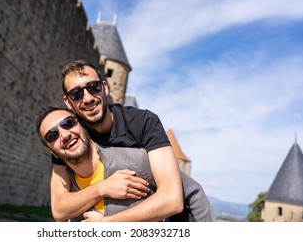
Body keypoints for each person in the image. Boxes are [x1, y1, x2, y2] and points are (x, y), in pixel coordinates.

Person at [50, 59, 215, 222]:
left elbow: (172, 198)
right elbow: (59, 210)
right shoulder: (71, 135)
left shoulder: (143, 122)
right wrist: (102, 188)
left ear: (105, 88)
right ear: (68, 102)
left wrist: (106, 224)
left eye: (93, 87)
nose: (87, 98)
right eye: (76, 94)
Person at [36, 104, 166, 221]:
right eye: (52, 135)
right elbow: (58, 211)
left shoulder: (134, 161)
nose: (64, 135)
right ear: (51, 151)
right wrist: (102, 188)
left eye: (68, 123)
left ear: (82, 125)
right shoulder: (67, 179)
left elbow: (180, 195)